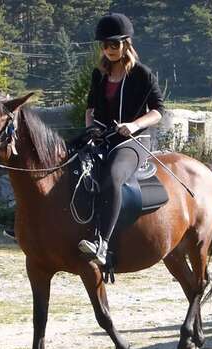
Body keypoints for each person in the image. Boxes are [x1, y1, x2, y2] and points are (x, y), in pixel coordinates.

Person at [77, 13, 164, 266]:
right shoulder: (99, 74)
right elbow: (90, 109)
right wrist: (90, 129)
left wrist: (134, 125)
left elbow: (159, 110)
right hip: (102, 137)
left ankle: (102, 244)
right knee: (65, 160)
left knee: (114, 174)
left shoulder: (142, 74)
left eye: (114, 44)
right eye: (105, 45)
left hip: (134, 142)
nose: (109, 50)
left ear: (126, 43)